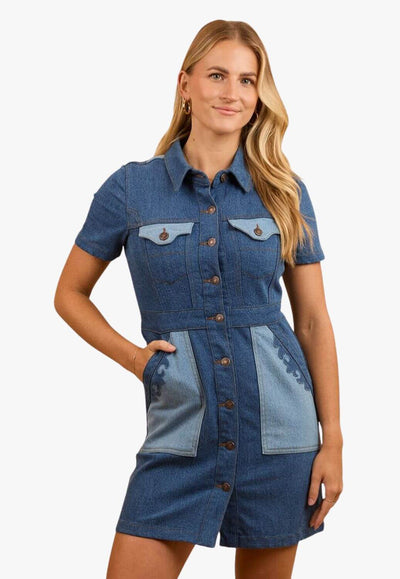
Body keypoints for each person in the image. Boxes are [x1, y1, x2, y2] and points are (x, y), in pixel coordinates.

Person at [54, 19, 343, 579]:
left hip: (279, 435)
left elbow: (312, 321)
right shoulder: (130, 189)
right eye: (216, 75)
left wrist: (332, 439)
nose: (231, 92)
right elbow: (69, 294)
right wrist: (135, 359)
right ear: (185, 84)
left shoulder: (285, 192)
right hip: (180, 432)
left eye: (246, 80)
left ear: (259, 96)